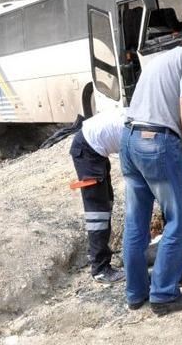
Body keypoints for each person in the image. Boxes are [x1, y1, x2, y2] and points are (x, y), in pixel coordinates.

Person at [121, 31, 182, 315]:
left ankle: (136, 293)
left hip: (130, 139)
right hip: (156, 143)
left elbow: (155, 109)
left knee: (137, 223)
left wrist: (180, 142)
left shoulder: (159, 60)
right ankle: (163, 295)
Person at [69, 108, 127, 283]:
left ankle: (100, 254)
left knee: (107, 201)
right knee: (98, 213)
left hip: (94, 148)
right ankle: (100, 269)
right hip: (87, 149)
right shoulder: (136, 130)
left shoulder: (140, 119)